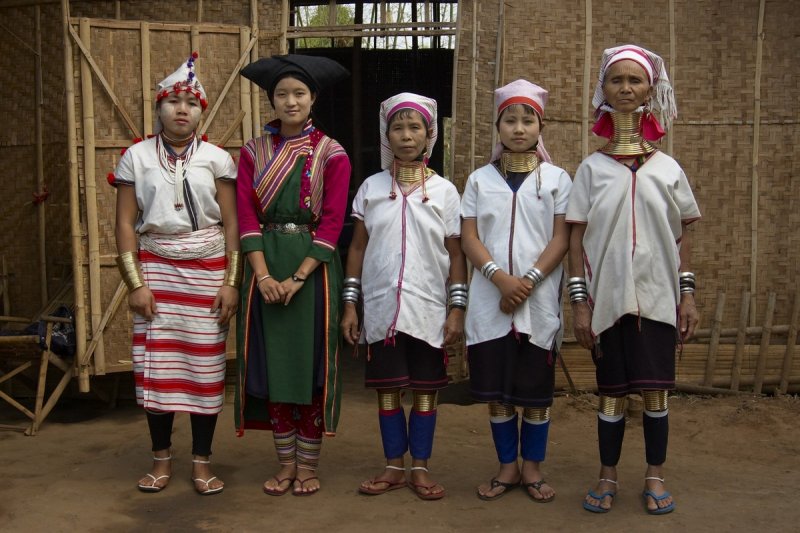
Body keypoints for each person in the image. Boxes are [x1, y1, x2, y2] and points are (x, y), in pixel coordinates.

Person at [566, 45, 701, 515]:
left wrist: (687, 295)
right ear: (603, 91)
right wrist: (579, 302)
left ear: (651, 91)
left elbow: (682, 237)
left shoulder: (668, 169)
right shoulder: (591, 168)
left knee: (656, 393)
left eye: (635, 81)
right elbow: (575, 238)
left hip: (660, 301)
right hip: (607, 301)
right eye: (616, 81)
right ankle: (607, 476)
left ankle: (654, 476)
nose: (625, 88)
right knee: (609, 395)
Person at [112, 52, 240, 495]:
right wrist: (136, 283)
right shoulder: (136, 156)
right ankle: (161, 460)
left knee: (205, 371)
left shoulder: (219, 159)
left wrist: (231, 282)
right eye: (173, 101)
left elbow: (232, 223)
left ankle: (202, 463)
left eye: (192, 102)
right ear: (159, 108)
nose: (182, 109)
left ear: (202, 111)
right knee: (159, 371)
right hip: (156, 271)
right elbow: (126, 222)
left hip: (208, 271)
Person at [235, 54, 351, 497]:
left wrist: (299, 277)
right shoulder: (252, 151)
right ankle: (285, 463)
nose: (290, 101)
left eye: (299, 93)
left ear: (313, 98)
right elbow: (246, 214)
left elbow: (334, 220)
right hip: (265, 260)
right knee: (276, 367)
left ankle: (309, 465)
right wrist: (262, 276)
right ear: (271, 100)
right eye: (281, 94)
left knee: (310, 366)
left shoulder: (331, 152)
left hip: (313, 269)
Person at [341, 93, 465, 501]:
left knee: (426, 391)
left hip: (428, 308)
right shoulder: (372, 188)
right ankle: (394, 465)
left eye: (415, 128)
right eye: (398, 127)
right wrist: (350, 305)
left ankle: (421, 468)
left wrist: (456, 309)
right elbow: (356, 249)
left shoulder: (446, 192)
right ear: (386, 135)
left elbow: (455, 253)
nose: (407, 135)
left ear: (429, 134)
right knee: (389, 390)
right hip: (381, 309)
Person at [461, 79, 572, 502]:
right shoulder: (478, 180)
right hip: (491, 302)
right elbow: (469, 236)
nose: (519, 128)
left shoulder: (558, 179)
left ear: (540, 126)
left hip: (538, 302)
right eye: (511, 119)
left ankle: (533, 469)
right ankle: (507, 467)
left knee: (536, 394)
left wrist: (527, 282)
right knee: (498, 394)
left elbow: (561, 239)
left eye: (528, 120)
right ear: (498, 126)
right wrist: (498, 277)